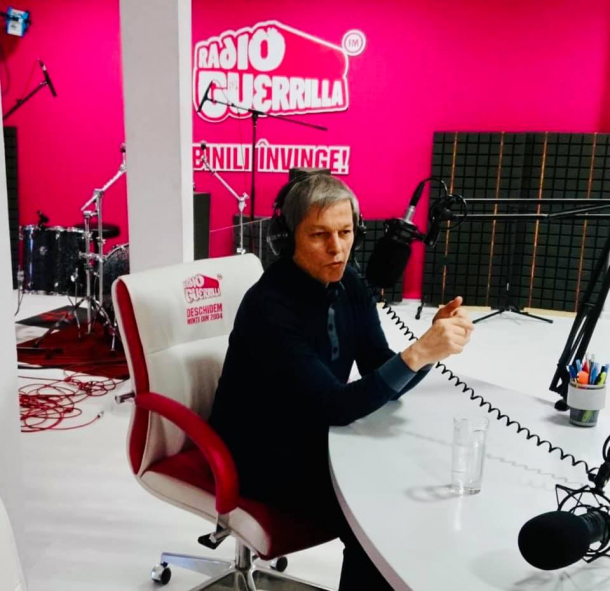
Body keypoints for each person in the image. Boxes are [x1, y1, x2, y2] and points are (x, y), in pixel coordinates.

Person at [209, 174, 473, 590]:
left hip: (317, 435)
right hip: (262, 453)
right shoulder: (269, 307)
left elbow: (376, 365)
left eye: (346, 232)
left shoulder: (349, 282)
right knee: (377, 523)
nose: (337, 248)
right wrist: (419, 353)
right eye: (319, 235)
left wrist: (428, 349)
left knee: (406, 490)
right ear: (287, 239)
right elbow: (337, 405)